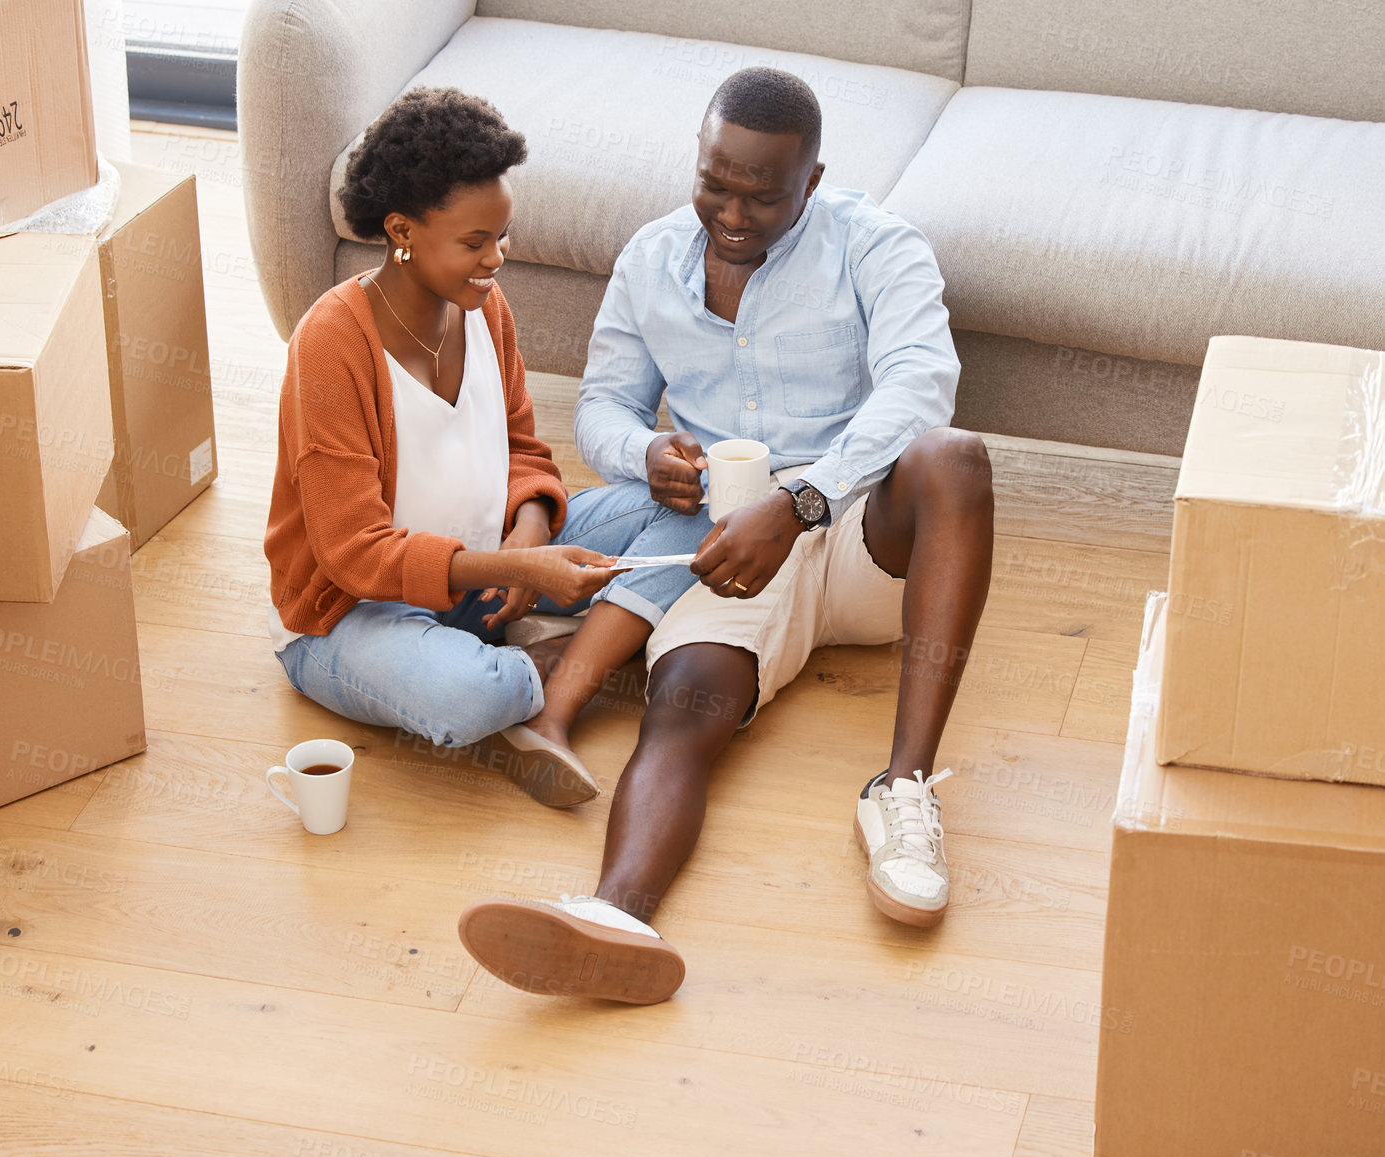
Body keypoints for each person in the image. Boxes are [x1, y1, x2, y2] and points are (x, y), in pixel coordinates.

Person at [456, 68, 995, 1002]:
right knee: (685, 707)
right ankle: (616, 920)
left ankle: (902, 789)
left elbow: (918, 391)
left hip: (860, 529)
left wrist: (800, 505)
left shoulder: (878, 247)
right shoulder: (652, 257)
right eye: (716, 183)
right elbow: (604, 407)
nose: (732, 213)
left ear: (813, 181)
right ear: (697, 160)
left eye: (764, 193)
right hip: (732, 545)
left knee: (952, 455)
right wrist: (645, 450)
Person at [265, 87, 711, 807]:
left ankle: (546, 660)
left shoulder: (483, 306)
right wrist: (515, 564)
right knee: (462, 697)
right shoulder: (330, 345)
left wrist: (531, 530)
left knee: (699, 504)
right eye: (475, 243)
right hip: (354, 611)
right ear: (402, 231)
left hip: (491, 554)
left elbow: (523, 449)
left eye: (501, 237)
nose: (496, 259)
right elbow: (351, 550)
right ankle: (574, 659)